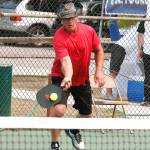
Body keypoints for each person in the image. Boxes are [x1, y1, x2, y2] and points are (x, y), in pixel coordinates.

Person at [47, 2, 104, 150]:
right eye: (66, 19)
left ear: (77, 18)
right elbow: (66, 62)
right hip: (61, 76)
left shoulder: (89, 31)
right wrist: (68, 77)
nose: (70, 21)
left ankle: (73, 129)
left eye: (72, 17)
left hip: (82, 78)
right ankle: (55, 142)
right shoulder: (59, 36)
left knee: (87, 116)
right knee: (59, 110)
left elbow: (99, 50)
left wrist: (98, 70)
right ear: (61, 20)